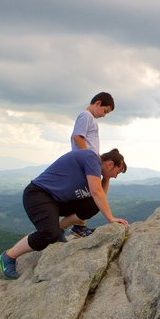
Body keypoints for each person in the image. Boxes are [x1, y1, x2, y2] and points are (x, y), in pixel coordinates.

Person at [0, 148, 129, 280]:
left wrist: (106, 178)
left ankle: (59, 229)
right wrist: (111, 218)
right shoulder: (91, 158)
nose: (115, 176)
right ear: (110, 164)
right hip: (39, 195)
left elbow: (99, 198)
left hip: (57, 201)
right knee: (48, 234)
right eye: (117, 172)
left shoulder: (95, 167)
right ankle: (8, 257)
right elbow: (96, 192)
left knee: (93, 205)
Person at [66, 92, 115, 238]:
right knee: (89, 195)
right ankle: (78, 227)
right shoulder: (86, 115)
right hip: (84, 163)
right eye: (105, 111)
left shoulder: (89, 118)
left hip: (86, 162)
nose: (104, 115)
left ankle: (79, 226)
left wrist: (97, 158)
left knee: (85, 195)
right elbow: (78, 137)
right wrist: (88, 157)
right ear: (98, 103)